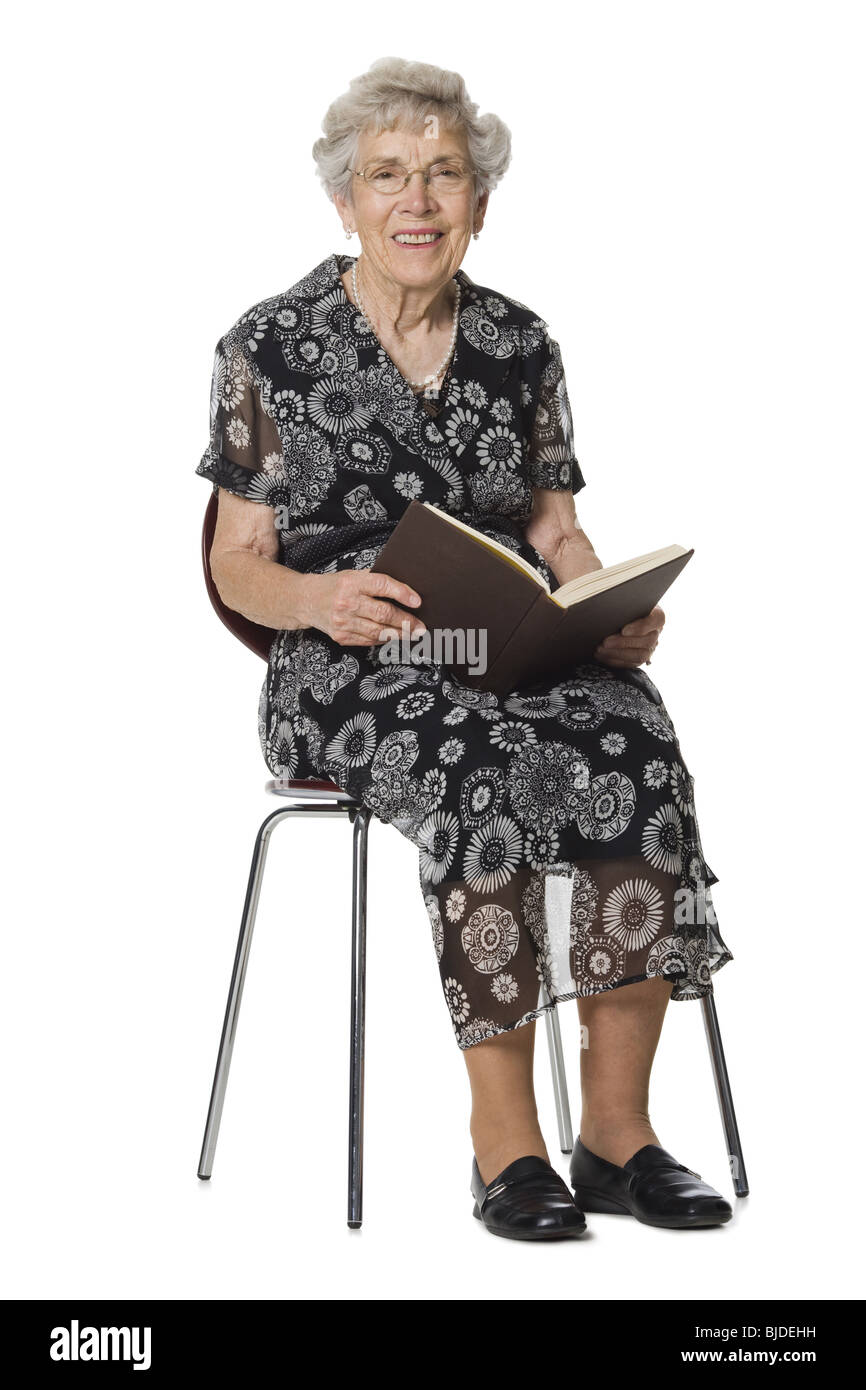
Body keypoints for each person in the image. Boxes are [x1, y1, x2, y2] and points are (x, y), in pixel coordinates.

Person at [197, 56, 734, 1240]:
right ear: (344, 200)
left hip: (509, 640)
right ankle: (504, 1145)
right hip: (348, 664)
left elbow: (552, 526)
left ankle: (616, 1135)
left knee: (632, 743)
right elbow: (235, 557)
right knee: (482, 766)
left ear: (479, 202)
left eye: (443, 174)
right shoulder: (270, 344)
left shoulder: (519, 343)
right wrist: (314, 600)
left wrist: (602, 603)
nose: (416, 201)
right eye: (387, 176)